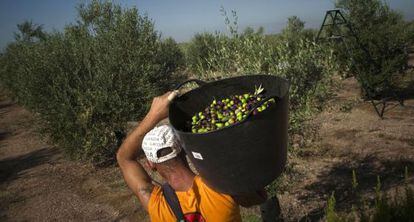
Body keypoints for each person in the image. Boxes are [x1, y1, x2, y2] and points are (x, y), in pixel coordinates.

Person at [117, 91, 267, 222]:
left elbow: (124, 157)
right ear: (184, 149)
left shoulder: (156, 203)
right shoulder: (221, 186)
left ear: (151, 164)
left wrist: (154, 114)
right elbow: (260, 196)